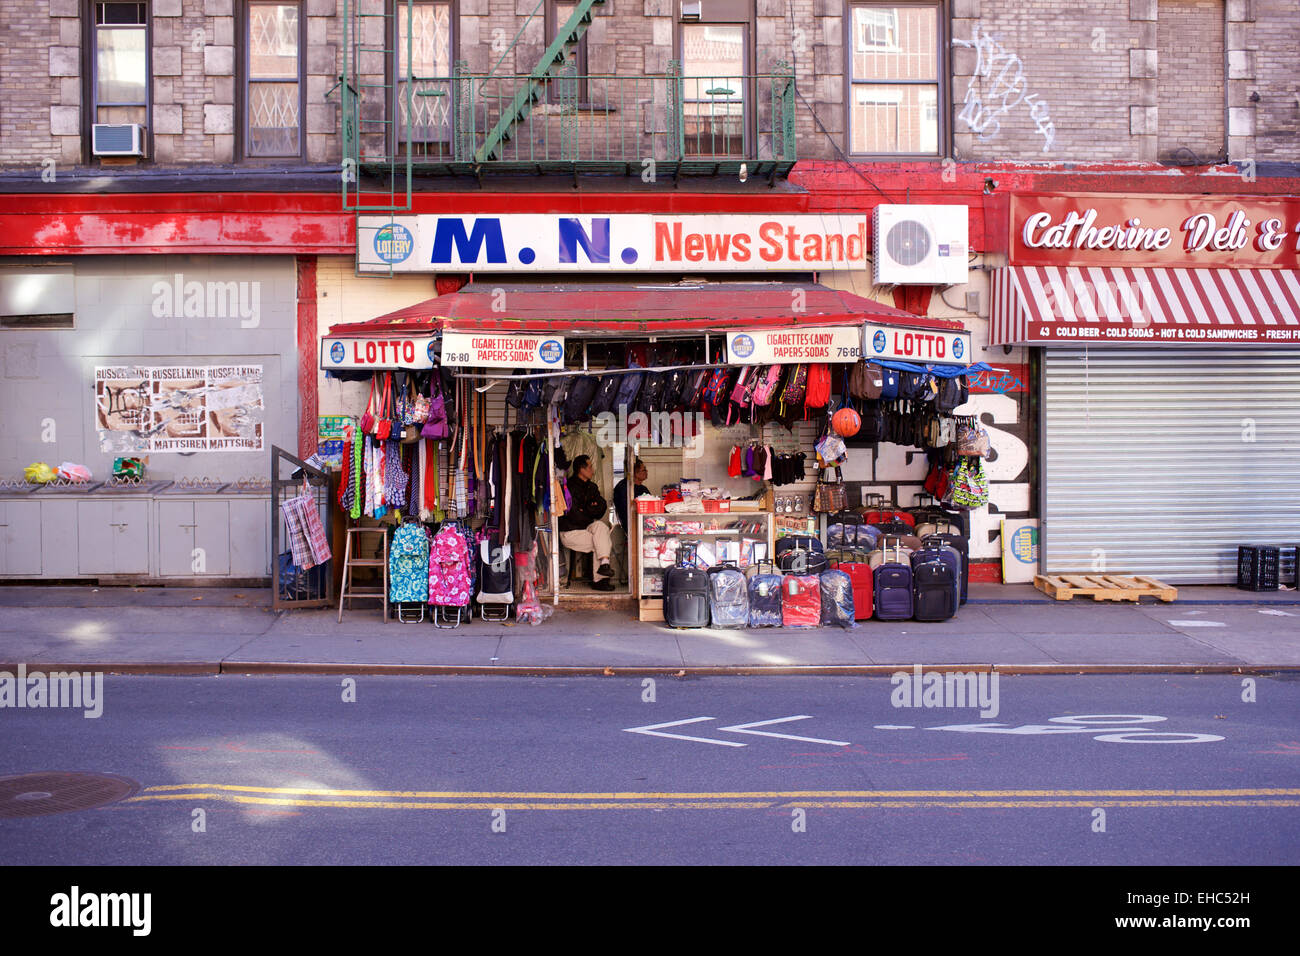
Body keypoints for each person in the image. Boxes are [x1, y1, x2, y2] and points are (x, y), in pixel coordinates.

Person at [559, 455, 615, 591]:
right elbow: (573, 515)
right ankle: (600, 580)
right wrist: (591, 509)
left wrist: (586, 509)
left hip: (587, 528)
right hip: (570, 531)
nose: (593, 470)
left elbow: (601, 507)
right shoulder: (568, 487)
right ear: (581, 469)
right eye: (590, 467)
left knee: (601, 527)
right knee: (601, 541)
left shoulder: (592, 486)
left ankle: (604, 565)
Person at [610, 459, 650, 585]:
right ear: (635, 472)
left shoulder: (643, 488)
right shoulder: (623, 488)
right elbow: (625, 512)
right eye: (643, 470)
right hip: (631, 525)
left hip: (645, 523)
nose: (646, 472)